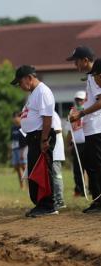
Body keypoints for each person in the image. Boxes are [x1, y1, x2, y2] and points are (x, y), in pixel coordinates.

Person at [11, 65, 57, 217]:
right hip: (34, 137)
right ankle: (40, 204)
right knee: (34, 172)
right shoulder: (34, 93)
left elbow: (47, 118)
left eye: (20, 83)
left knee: (43, 171)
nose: (19, 87)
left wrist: (44, 140)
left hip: (41, 137)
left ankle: (48, 205)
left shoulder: (43, 92)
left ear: (29, 78)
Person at [68, 48, 101, 213]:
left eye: (76, 61)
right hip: (91, 127)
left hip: (97, 126)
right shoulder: (91, 76)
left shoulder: (97, 75)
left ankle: (98, 201)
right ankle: (97, 200)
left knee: (96, 166)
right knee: (91, 165)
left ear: (86, 59)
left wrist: (81, 113)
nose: (75, 65)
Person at [67, 91, 87, 197]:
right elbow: (69, 130)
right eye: (77, 99)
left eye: (81, 99)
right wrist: (69, 144)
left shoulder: (89, 110)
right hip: (76, 143)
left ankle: (93, 190)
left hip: (88, 142)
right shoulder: (72, 111)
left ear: (85, 100)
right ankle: (79, 190)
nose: (79, 101)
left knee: (90, 167)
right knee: (77, 169)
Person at [52, 112, 66, 210]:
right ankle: (55, 199)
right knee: (53, 175)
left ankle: (60, 200)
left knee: (56, 175)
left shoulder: (52, 114)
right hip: (53, 150)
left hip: (55, 150)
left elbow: (58, 130)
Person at [10, 111, 28, 190]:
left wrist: (22, 150)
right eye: (13, 117)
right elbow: (12, 139)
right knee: (17, 168)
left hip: (23, 148)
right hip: (15, 149)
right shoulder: (13, 128)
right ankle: (22, 186)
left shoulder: (23, 127)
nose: (14, 119)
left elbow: (25, 139)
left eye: (15, 117)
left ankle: (29, 186)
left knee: (24, 167)